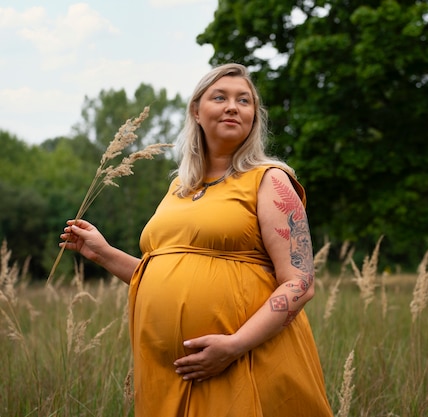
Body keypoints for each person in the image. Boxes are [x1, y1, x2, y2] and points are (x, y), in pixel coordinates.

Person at [60, 63, 333, 417]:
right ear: (196, 111)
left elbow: (300, 282)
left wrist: (234, 346)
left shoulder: (270, 180)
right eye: (220, 97)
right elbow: (160, 272)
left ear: (254, 116)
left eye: (244, 100)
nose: (233, 106)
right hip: (170, 372)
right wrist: (104, 253)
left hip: (244, 359)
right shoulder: (179, 188)